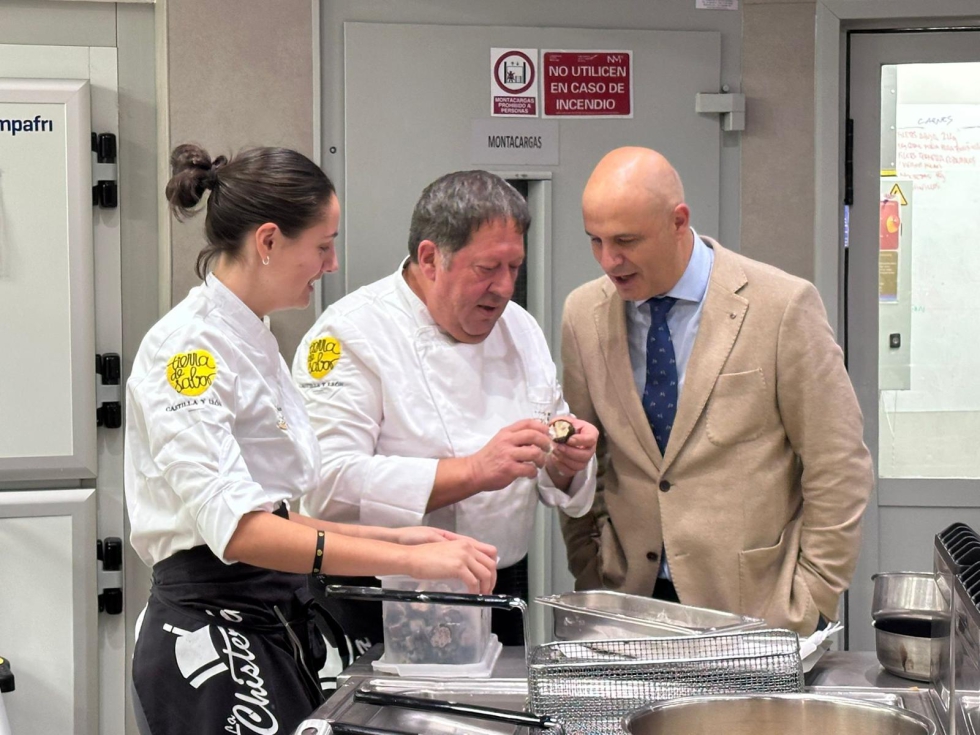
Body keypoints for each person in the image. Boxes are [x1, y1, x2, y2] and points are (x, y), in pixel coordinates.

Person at [125, 145, 498, 735]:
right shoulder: (188, 352)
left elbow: (273, 512)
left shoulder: (254, 338)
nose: (331, 263)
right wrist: (408, 559)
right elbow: (242, 532)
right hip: (211, 631)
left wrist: (396, 535)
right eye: (323, 245)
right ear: (269, 241)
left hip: (267, 612)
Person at [559, 147, 874, 635]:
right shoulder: (583, 314)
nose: (608, 260)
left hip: (755, 610)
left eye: (625, 241)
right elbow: (583, 458)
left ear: (678, 221)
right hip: (628, 604)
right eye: (595, 241)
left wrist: (812, 598)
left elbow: (839, 462)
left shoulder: (781, 306)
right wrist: (590, 568)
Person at [292, 170, 599, 647]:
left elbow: (548, 466)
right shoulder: (348, 334)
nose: (504, 287)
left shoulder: (520, 329)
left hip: (497, 589)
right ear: (430, 258)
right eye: (487, 268)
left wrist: (566, 462)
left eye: (514, 267)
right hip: (377, 599)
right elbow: (327, 484)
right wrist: (472, 471)